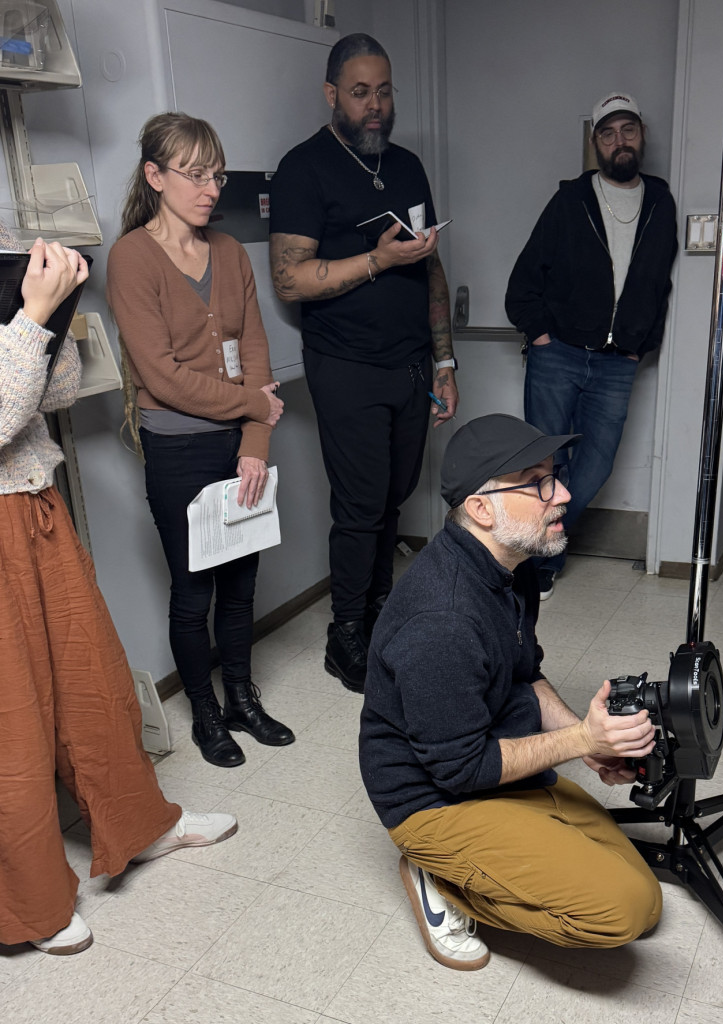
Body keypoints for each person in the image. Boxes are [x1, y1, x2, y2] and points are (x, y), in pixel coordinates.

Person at [0, 226, 238, 956]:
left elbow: (59, 393)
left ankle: (143, 825)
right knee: (14, 716)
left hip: (35, 501)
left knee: (91, 680)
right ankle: (33, 905)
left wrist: (55, 313)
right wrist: (31, 317)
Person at [359, 414, 662, 970]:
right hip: (436, 799)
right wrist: (578, 739)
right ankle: (438, 877)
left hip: (501, 762)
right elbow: (461, 770)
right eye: (538, 482)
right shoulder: (442, 618)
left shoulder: (511, 561)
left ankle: (478, 859)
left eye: (556, 475)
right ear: (480, 508)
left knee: (646, 903)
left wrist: (590, 743)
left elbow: (525, 671)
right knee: (623, 912)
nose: (563, 494)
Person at [269, 33, 457, 694]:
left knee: (393, 498)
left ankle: (380, 616)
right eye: (359, 93)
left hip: (410, 364)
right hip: (345, 365)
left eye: (383, 92)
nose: (374, 106)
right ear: (332, 95)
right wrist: (378, 258)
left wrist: (444, 359)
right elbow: (289, 280)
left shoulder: (407, 166)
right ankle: (345, 637)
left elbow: (431, 262)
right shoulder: (303, 168)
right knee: (359, 508)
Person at [108, 113, 294, 768]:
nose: (211, 187)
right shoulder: (131, 258)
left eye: (216, 173)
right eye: (194, 174)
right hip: (179, 448)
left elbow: (255, 348)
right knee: (193, 591)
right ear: (156, 176)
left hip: (238, 446)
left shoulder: (231, 251)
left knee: (243, 583)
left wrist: (255, 443)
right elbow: (164, 378)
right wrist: (255, 405)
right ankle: (206, 715)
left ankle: (243, 698)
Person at [505, 91, 678, 598]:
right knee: (543, 465)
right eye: (608, 132)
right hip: (556, 353)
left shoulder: (660, 203)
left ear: (641, 136)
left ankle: (545, 545)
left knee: (596, 464)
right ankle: (533, 564)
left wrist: (641, 343)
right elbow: (523, 279)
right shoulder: (570, 201)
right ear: (595, 142)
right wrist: (539, 335)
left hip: (616, 363)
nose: (619, 141)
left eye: (628, 130)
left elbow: (658, 284)